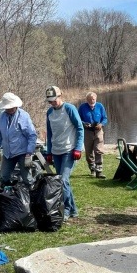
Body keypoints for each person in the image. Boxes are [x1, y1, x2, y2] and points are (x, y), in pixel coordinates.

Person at [45, 86, 84, 220]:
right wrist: (48, 151)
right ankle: (73, 210)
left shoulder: (69, 109)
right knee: (62, 181)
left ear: (60, 96)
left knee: (63, 180)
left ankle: (66, 210)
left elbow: (80, 128)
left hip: (70, 149)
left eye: (54, 100)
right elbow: (49, 133)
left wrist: (78, 148)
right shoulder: (49, 112)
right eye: (50, 101)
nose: (52, 103)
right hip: (56, 150)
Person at [0, 92, 37, 188]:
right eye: (7, 108)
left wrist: (29, 154)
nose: (9, 109)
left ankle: (31, 198)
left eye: (11, 107)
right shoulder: (2, 116)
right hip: (8, 153)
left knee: (27, 179)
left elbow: (32, 135)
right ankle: (7, 197)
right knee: (4, 177)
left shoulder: (24, 116)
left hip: (22, 152)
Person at [78, 91, 108, 179]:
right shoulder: (82, 107)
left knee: (98, 150)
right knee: (89, 151)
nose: (92, 101)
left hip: (98, 131)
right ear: (86, 100)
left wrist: (101, 124)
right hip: (87, 131)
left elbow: (105, 118)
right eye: (90, 99)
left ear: (96, 98)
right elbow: (78, 119)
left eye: (93, 99)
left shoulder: (100, 106)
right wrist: (84, 124)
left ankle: (99, 171)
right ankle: (92, 169)